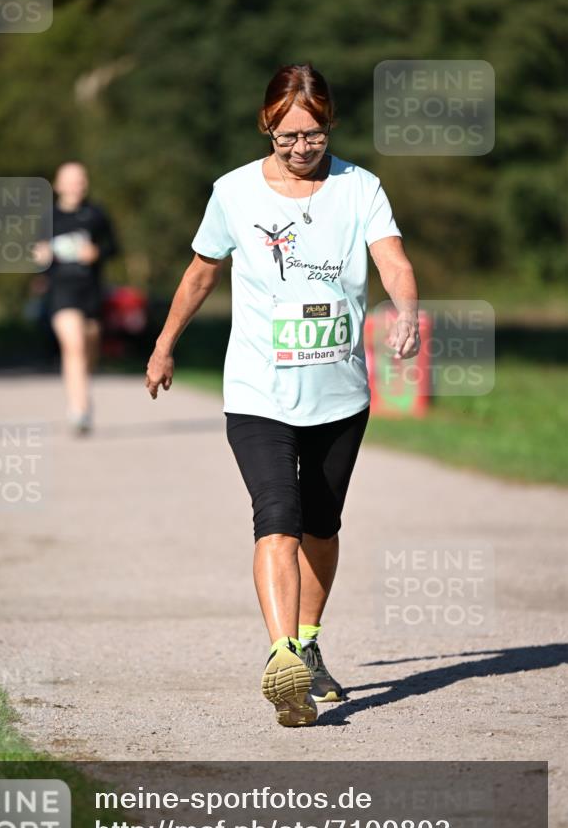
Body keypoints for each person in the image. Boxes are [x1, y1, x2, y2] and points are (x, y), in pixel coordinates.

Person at [146, 64, 420, 727]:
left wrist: (406, 308)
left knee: (319, 527)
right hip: (257, 390)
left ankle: (307, 640)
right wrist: (163, 343)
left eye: (314, 135)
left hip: (339, 392)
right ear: (266, 127)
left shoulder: (360, 188)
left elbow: (392, 259)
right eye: (286, 136)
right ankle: (283, 661)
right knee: (275, 514)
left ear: (329, 125)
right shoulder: (234, 193)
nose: (301, 148)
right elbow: (200, 273)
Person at [33, 162, 119, 434]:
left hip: (90, 292)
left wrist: (97, 254)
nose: (75, 185)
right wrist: (40, 259)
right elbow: (35, 256)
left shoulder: (96, 214)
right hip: (61, 291)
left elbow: (114, 247)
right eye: (69, 180)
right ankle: (79, 409)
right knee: (74, 346)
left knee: (89, 348)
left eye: (80, 180)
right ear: (58, 185)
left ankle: (81, 390)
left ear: (86, 183)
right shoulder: (47, 218)